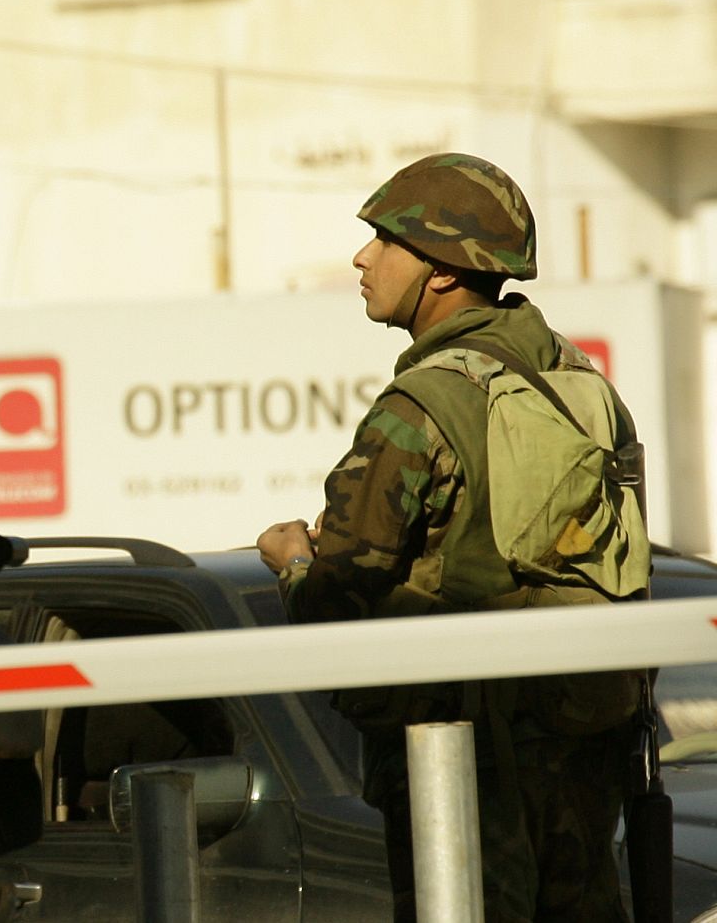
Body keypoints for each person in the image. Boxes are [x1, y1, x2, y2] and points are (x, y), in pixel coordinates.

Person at [257, 153, 643, 922]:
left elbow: (332, 605)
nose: (363, 258)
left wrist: (291, 557)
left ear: (441, 271)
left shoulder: (422, 406)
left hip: (464, 770)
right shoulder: (582, 385)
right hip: (586, 753)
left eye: (385, 240)